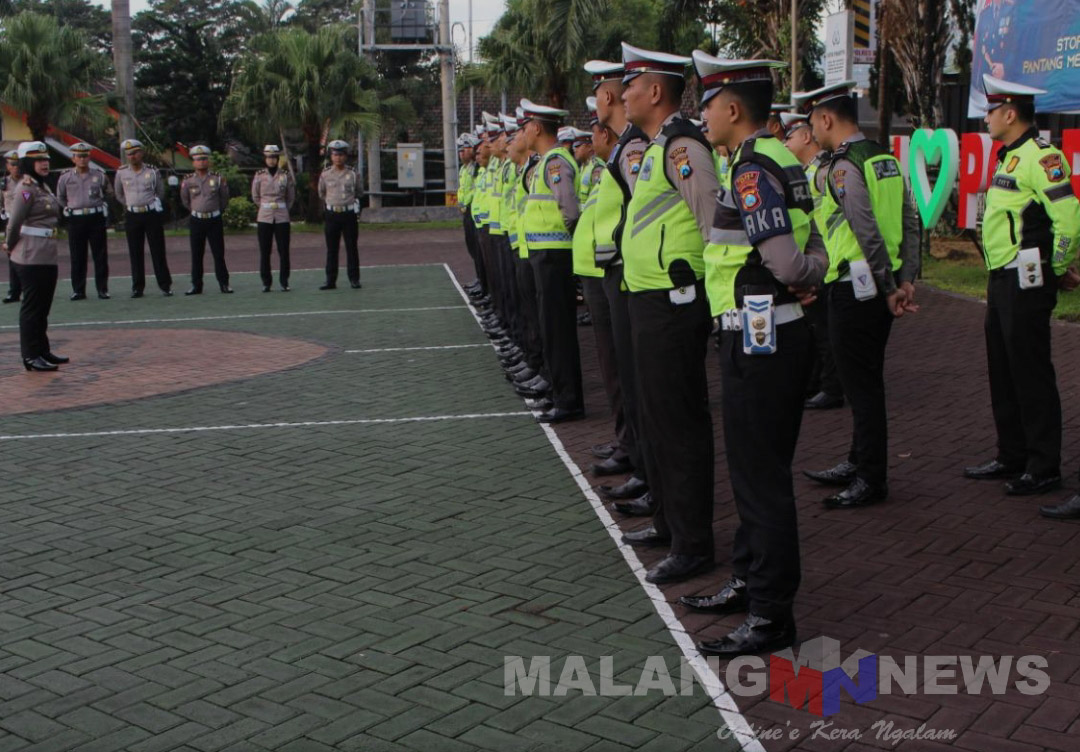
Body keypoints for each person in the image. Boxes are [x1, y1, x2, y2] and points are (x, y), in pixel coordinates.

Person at [680, 53, 827, 656]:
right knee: (754, 473)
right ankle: (748, 578)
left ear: (733, 108)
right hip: (767, 335)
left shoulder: (749, 170)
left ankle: (770, 614)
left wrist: (804, 272)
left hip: (760, 341)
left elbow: (790, 258)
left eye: (707, 104)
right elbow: (814, 236)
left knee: (761, 479)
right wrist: (810, 269)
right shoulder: (777, 159)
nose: (702, 116)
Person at [617, 43, 718, 584]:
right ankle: (668, 522)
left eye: (631, 85)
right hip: (647, 297)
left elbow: (713, 223)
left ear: (655, 92)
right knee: (655, 418)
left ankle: (693, 543)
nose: (623, 94)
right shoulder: (656, 147)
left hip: (673, 303)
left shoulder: (682, 147)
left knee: (678, 424)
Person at [794, 81, 920, 508]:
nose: (812, 132)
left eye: (813, 123)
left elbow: (865, 229)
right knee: (862, 380)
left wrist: (888, 286)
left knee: (862, 389)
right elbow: (910, 218)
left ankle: (870, 478)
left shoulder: (843, 167)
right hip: (875, 286)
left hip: (856, 288)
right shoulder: (883, 157)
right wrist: (906, 279)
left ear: (827, 119)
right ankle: (857, 459)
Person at [959, 76, 1080, 512]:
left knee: (1030, 372)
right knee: (1003, 370)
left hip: (1028, 279)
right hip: (1002, 278)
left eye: (991, 112)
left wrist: (1058, 267)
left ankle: (1044, 466)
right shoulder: (1007, 156)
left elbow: (1068, 216)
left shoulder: (1041, 157)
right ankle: (1012, 455)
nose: (986, 119)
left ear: (1010, 113)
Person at [585, 58, 652, 509]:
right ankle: (641, 464)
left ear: (606, 98)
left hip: (640, 277)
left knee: (640, 381)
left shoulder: (633, 150)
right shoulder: (625, 147)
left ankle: (647, 471)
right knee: (626, 374)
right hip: (622, 272)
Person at [781, 112, 844, 410]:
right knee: (816, 329)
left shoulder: (823, 171)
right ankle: (818, 382)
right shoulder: (805, 171)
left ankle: (831, 387)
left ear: (806, 137)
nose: (786, 143)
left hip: (828, 260)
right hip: (816, 258)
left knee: (824, 329)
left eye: (790, 137)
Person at [1, 142, 65, 371]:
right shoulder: (25, 189)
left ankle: (42, 350)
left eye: (46, 159)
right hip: (30, 255)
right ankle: (30, 356)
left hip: (45, 253)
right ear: (28, 163)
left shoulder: (41, 187)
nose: (45, 163)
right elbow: (15, 221)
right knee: (32, 308)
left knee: (43, 306)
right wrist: (9, 245)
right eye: (38, 160)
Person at [115, 139, 172, 298]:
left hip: (150, 214)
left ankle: (165, 285)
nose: (132, 156)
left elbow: (160, 192)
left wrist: (152, 204)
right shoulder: (121, 172)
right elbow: (118, 193)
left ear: (141, 153)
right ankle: (137, 287)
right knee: (135, 252)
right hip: (132, 215)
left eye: (134, 153)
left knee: (158, 250)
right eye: (129, 154)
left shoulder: (152, 171)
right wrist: (129, 204)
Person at [57, 142, 112, 300]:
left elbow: (109, 193)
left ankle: (102, 289)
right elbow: (60, 197)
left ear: (89, 157)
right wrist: (67, 207)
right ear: (73, 158)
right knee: (77, 256)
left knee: (100, 255)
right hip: (76, 218)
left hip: (95, 217)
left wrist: (105, 206)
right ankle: (78, 290)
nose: (82, 159)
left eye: (85, 156)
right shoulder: (65, 177)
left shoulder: (99, 175)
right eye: (79, 156)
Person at [180, 145, 232, 295]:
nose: (201, 162)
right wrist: (196, 210)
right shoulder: (188, 180)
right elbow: (185, 200)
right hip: (197, 220)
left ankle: (224, 283)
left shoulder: (217, 178)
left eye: (204, 159)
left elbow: (224, 199)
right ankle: (196, 285)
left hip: (214, 219)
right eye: (198, 159)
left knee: (218, 253)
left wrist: (215, 211)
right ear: (193, 162)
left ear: (208, 161)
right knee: (196, 254)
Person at [318, 139, 362, 290]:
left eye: (341, 155)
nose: (338, 158)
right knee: (332, 249)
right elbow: (321, 193)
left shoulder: (353, 173)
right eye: (335, 155)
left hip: (348, 214)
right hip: (332, 214)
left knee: (351, 247)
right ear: (331, 156)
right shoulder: (325, 174)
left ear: (346, 156)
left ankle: (354, 279)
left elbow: (359, 191)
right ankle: (330, 280)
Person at [252, 145, 295, 292]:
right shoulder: (259, 175)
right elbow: (255, 196)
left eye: (274, 157)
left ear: (277, 159)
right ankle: (266, 282)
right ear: (265, 159)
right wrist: (266, 206)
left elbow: (290, 197)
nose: (271, 160)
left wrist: (281, 207)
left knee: (284, 251)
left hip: (282, 217)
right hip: (265, 217)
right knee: (265, 251)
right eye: (269, 157)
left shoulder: (285, 175)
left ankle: (284, 281)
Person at [2, 150, 22, 304]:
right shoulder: (4, 184)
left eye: (18, 164)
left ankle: (29, 290)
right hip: (10, 224)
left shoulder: (28, 181)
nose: (16, 167)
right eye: (13, 164)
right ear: (8, 166)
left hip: (25, 223)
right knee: (12, 258)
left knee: (28, 258)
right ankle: (14, 292)